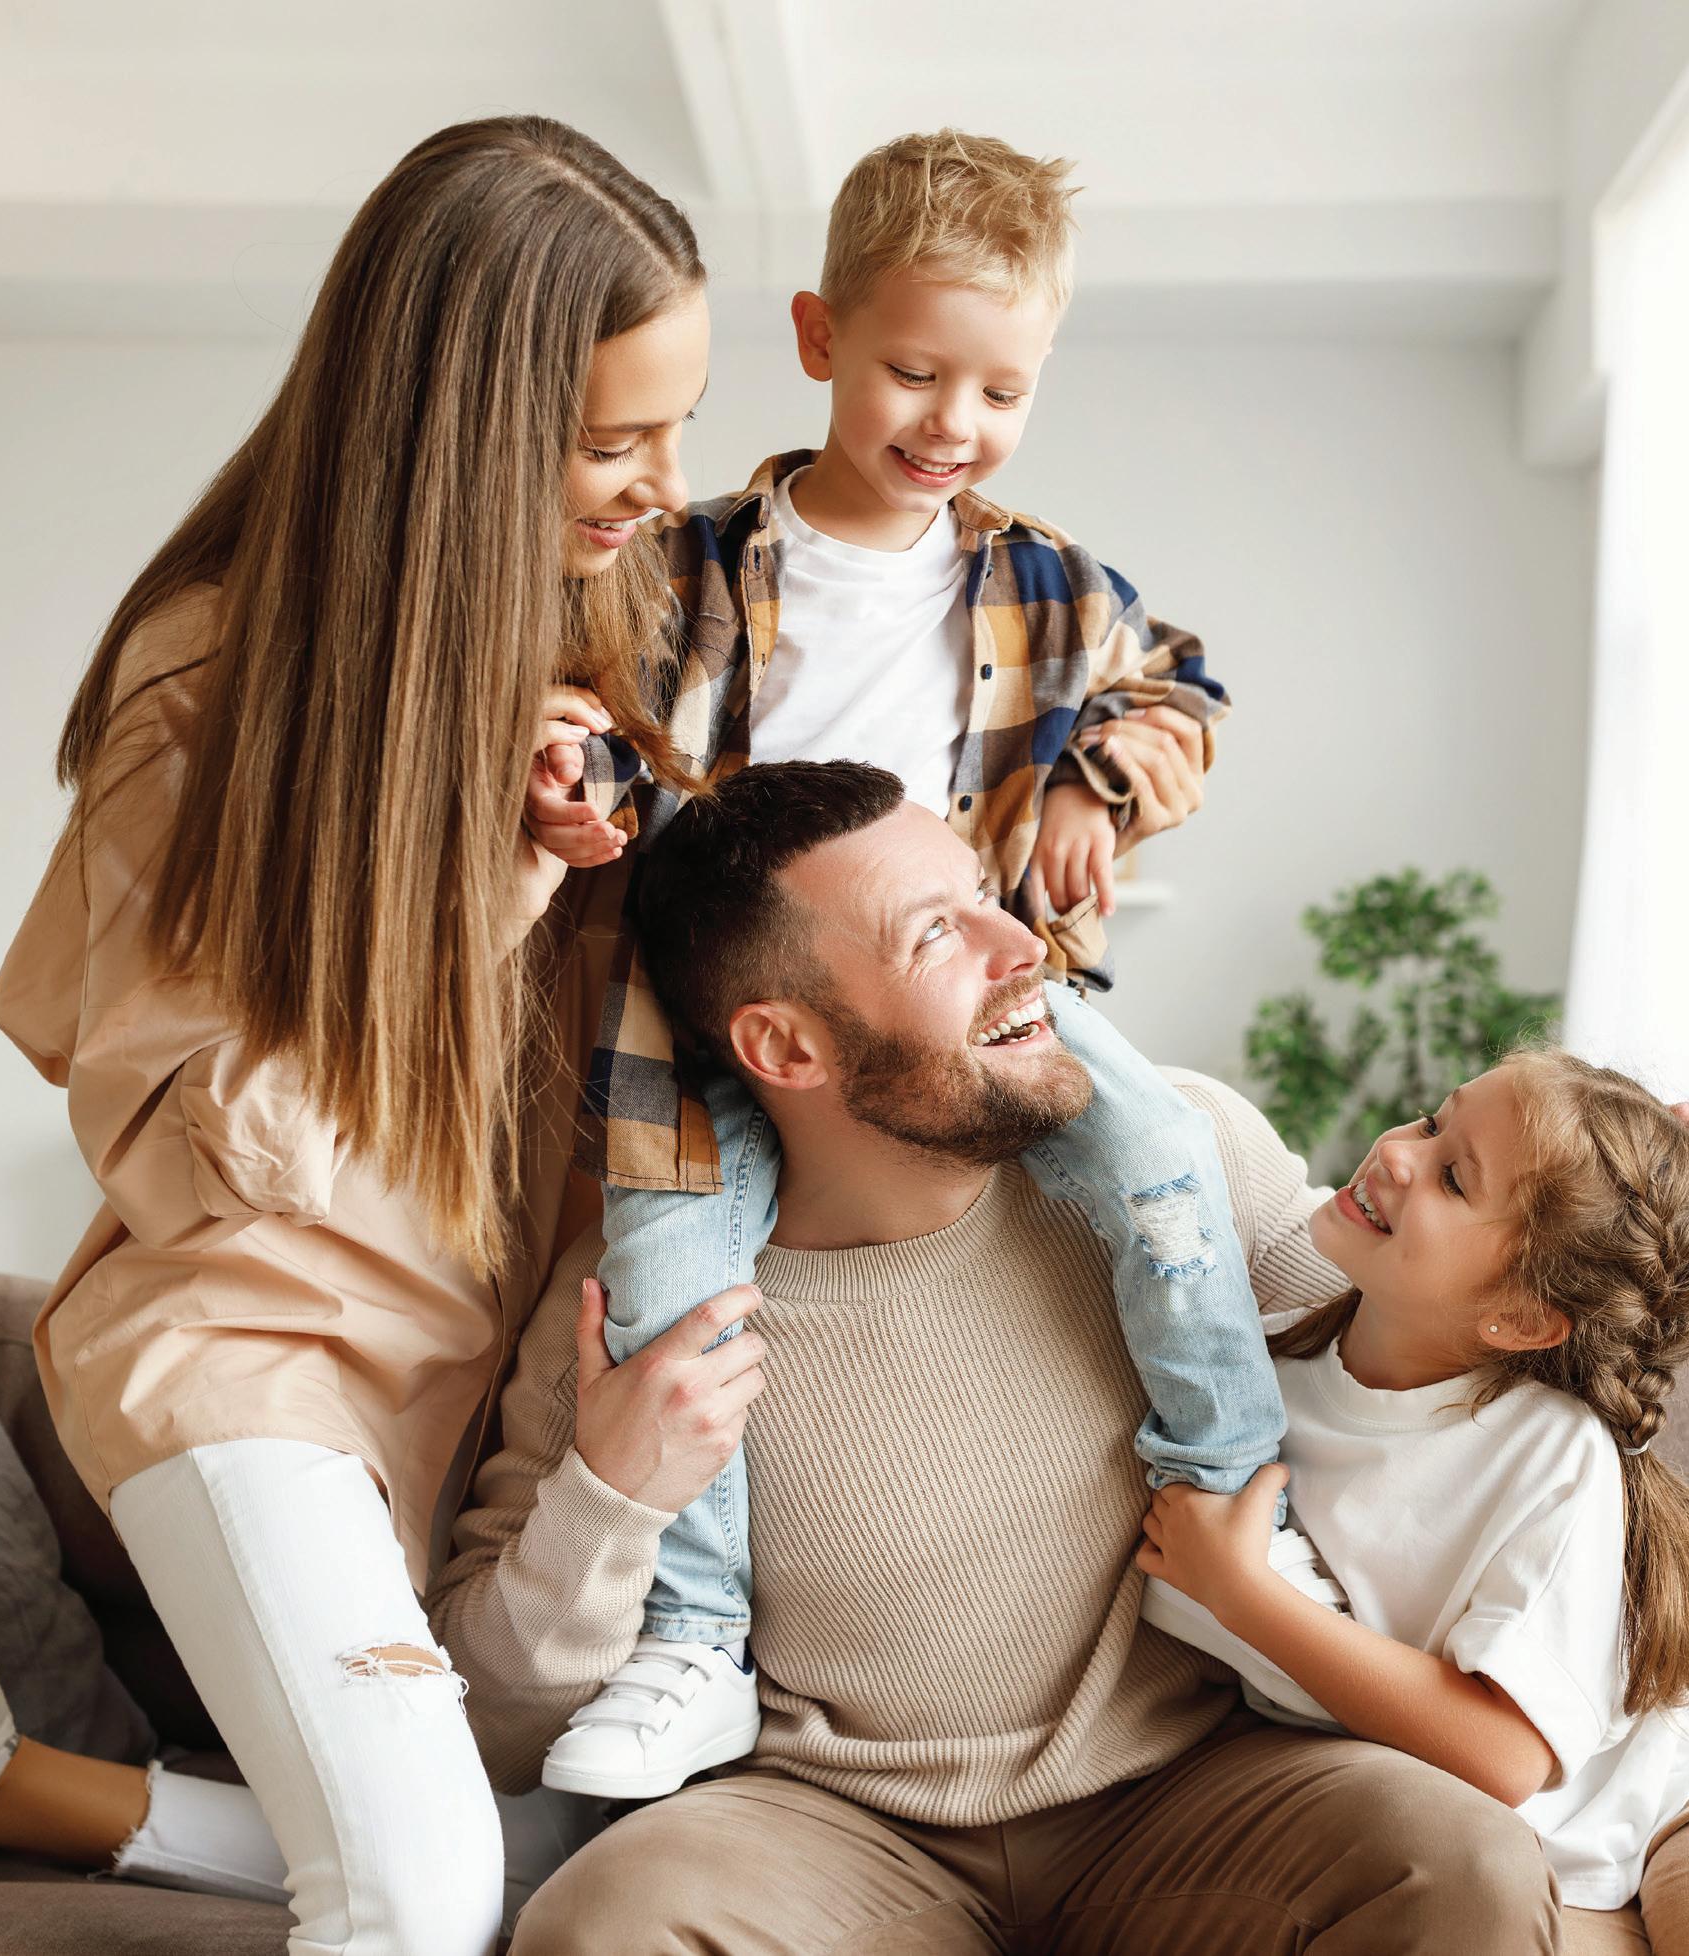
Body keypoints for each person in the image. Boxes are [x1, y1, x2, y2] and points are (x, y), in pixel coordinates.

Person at [0, 116, 714, 1956]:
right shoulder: (208, 692)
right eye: (612, 442)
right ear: (462, 439)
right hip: (246, 1353)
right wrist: (490, 881)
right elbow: (214, 1152)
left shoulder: (598, 637)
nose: (660, 488)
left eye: (676, 427)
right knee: (416, 1895)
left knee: (552, 1858)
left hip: (459, 1377)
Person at [436, 761, 1689, 1955]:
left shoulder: (1179, 1156)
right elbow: (489, 1722)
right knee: (605, 1926)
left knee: (1455, 1860)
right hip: (831, 1826)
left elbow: (1454, 1336)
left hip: (1196, 1793)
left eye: (983, 894)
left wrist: (1637, 1205)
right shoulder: (640, 1304)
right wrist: (612, 1494)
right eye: (936, 933)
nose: (1022, 945)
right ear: (785, 1045)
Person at [522, 126, 1306, 1802]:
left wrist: (1100, 780)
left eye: (1000, 391)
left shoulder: (1048, 585)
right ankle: (694, 1640)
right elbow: (586, 713)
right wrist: (571, 784)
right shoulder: (682, 565)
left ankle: (1236, 1501)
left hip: (984, 1004)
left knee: (1164, 1162)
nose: (953, 422)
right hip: (701, 1020)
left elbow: (1180, 692)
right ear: (819, 339)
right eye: (913, 372)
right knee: (670, 1300)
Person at [1136, 1052, 1689, 1954]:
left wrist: (1242, 1593)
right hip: (1508, 1860)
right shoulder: (1253, 1385)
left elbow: (1504, 1753)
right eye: (1430, 1121)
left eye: (1452, 1177)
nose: (1397, 1152)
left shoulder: (1549, 1447)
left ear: (1522, 1319)